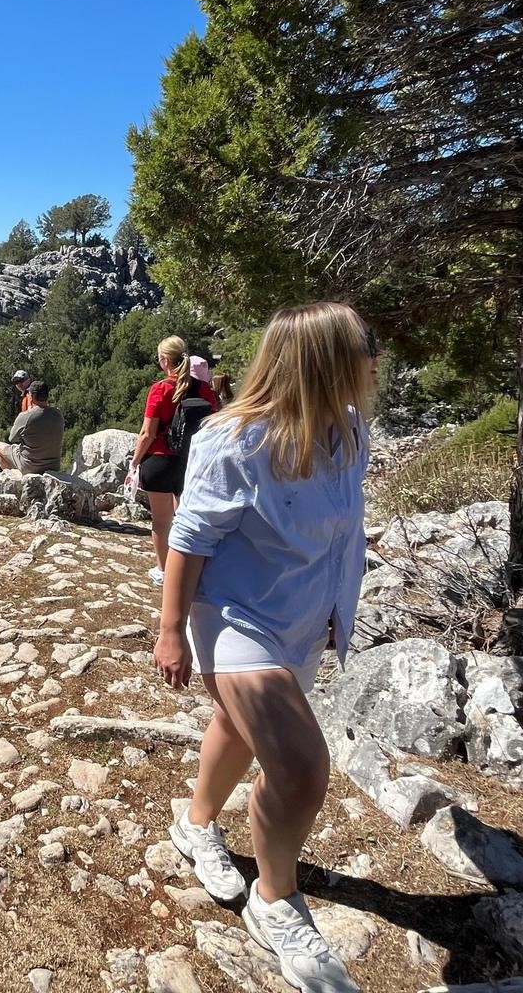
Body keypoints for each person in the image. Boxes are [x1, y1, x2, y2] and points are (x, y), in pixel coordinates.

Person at [154, 302, 378, 993]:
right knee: (304, 769)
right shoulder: (236, 440)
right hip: (230, 616)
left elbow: (344, 528)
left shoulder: (347, 430)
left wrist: (340, 609)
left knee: (240, 728)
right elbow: (188, 539)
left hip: (302, 619)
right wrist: (170, 632)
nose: (375, 366)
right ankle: (276, 900)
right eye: (363, 353)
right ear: (326, 361)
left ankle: (194, 824)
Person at [131, 336, 221, 585]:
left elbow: (147, 433)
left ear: (164, 361)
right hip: (192, 462)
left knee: (162, 522)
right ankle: (188, 572)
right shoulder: (205, 390)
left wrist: (135, 461)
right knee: (187, 520)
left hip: (159, 461)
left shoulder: (161, 389)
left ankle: (164, 571)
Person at [0, 379, 64, 474]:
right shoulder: (58, 413)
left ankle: (11, 477)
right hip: (54, 466)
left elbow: (12, 438)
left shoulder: (25, 416)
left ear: (31, 396)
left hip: (30, 467)